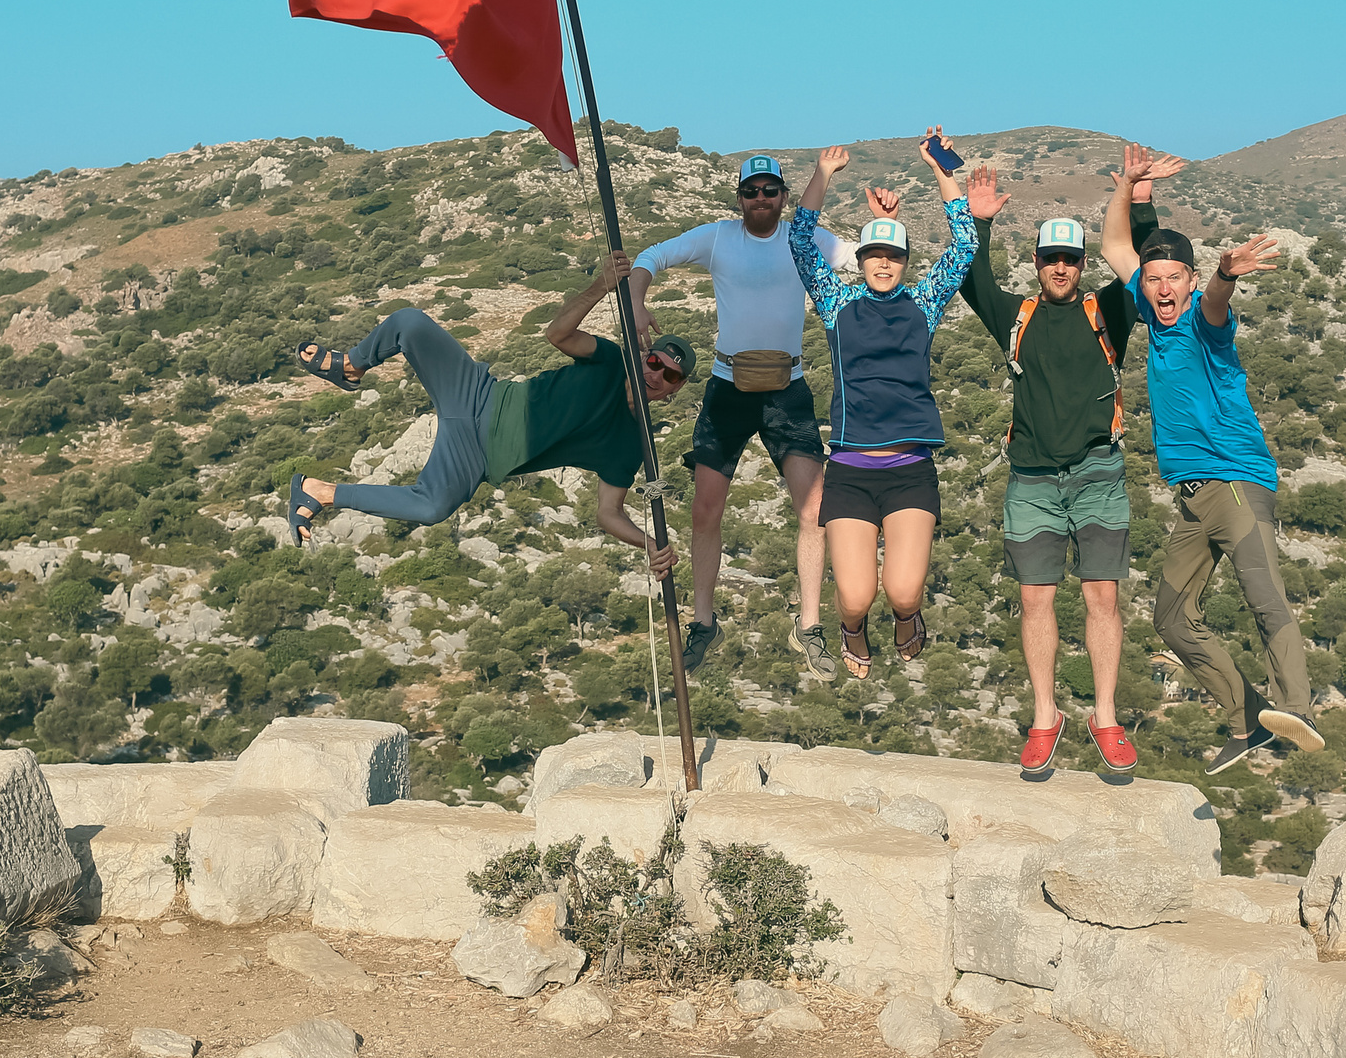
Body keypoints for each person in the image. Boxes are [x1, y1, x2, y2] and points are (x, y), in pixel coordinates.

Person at [1102, 145, 1325, 773]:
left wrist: (1225, 272)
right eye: (1155, 278)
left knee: (1263, 596)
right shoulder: (1152, 313)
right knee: (1171, 619)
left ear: (1191, 282)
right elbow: (1116, 244)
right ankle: (1247, 717)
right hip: (1192, 498)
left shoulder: (1205, 320)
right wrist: (1128, 185)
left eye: (1177, 276)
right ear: (1144, 288)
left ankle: (1298, 708)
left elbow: (1219, 303)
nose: (1164, 286)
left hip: (1234, 483)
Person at [956, 158, 1177, 777]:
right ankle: (1045, 716)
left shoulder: (1107, 310)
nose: (1060, 267)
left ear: (1083, 264)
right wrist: (978, 224)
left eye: (1071, 258)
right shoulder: (1015, 316)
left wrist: (1138, 200)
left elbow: (1141, 264)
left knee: (1102, 596)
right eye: (1051, 257)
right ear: (1037, 262)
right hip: (1030, 479)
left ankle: (1105, 719)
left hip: (1097, 474)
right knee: (1035, 600)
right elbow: (972, 280)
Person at [285, 255, 695, 577]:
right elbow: (557, 334)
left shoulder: (630, 447)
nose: (656, 374)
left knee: (431, 508)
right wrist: (600, 287)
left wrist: (650, 544)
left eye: (670, 375)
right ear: (645, 354)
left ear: (674, 391)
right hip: (478, 395)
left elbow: (608, 512)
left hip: (476, 459)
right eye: (655, 360)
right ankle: (351, 366)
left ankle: (321, 493)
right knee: (408, 322)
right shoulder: (611, 358)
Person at [629, 154, 851, 677]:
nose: (760, 199)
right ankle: (703, 622)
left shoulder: (806, 239)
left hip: (788, 389)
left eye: (770, 190)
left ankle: (809, 624)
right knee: (706, 511)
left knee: (815, 509)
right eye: (751, 191)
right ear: (738, 198)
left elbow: (871, 259)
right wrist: (637, 303)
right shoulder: (719, 238)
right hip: (728, 388)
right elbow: (649, 256)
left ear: (784, 197)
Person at [790, 132, 976, 677]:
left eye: (893, 255)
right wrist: (822, 175)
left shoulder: (924, 302)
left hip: (910, 469)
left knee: (901, 591)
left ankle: (907, 618)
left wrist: (940, 167)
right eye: (873, 253)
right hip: (849, 470)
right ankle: (853, 629)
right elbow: (800, 243)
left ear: (903, 261)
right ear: (862, 259)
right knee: (853, 597)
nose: (883, 263)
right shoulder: (836, 303)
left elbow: (964, 245)